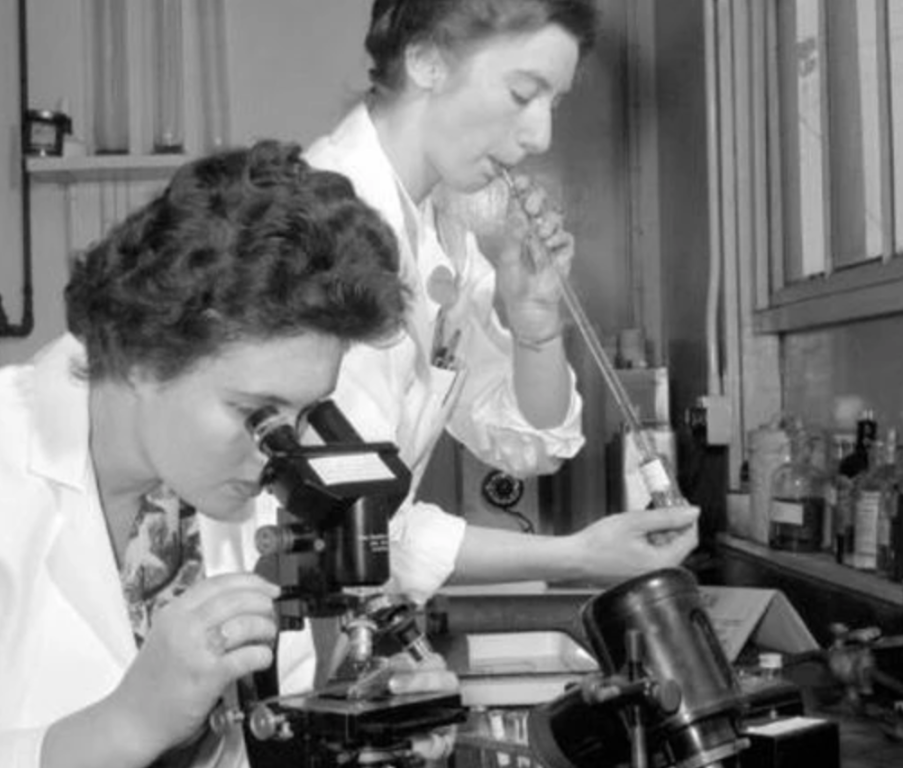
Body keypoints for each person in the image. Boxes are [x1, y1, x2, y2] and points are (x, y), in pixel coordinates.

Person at [0, 141, 412, 768]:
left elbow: (272, 721)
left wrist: (359, 706)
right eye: (255, 414)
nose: (280, 456)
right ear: (141, 356)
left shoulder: (221, 484)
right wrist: (127, 724)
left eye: (305, 414)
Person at [296, 0, 700, 606]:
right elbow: (362, 520)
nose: (540, 136)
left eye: (553, 104)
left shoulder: (441, 231)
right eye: (522, 93)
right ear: (429, 60)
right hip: (271, 616)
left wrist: (536, 326)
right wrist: (580, 555)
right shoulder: (326, 231)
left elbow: (525, 444)